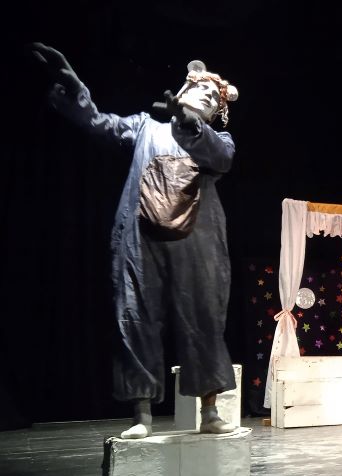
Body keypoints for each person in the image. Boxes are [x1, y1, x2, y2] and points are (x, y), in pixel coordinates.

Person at [30, 43, 240, 438]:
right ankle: (141, 415)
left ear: (217, 113)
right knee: (135, 315)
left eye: (214, 97)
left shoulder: (219, 139)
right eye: (201, 89)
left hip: (197, 240)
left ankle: (210, 411)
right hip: (142, 235)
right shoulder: (146, 128)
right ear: (182, 91)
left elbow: (218, 156)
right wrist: (73, 85)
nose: (207, 96)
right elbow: (98, 123)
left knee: (203, 319)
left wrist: (188, 123)